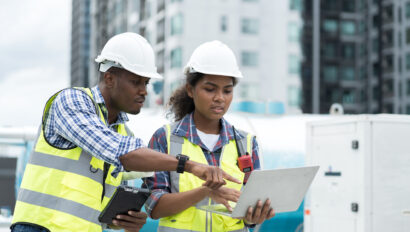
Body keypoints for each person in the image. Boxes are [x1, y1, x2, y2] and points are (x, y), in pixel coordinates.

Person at [10, 33, 240, 232]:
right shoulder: (72, 101)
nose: (144, 91)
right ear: (109, 78)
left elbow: (140, 192)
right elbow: (118, 151)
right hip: (39, 227)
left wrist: (125, 221)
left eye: (146, 83)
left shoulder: (124, 133)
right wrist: (190, 165)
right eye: (136, 82)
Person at [143, 41, 275, 232]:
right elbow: (154, 207)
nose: (220, 97)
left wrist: (254, 216)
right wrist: (205, 193)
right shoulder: (165, 139)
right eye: (210, 89)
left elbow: (249, 210)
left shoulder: (246, 143)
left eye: (227, 90)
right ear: (190, 90)